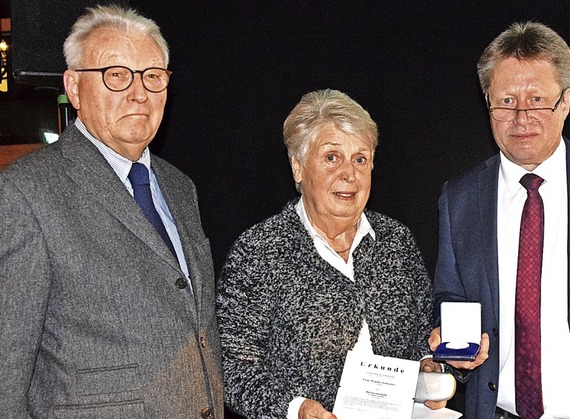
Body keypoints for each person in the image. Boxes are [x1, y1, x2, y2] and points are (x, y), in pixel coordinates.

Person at [0, 5, 224, 418]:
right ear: (75, 87)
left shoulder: (180, 187)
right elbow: (5, 375)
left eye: (153, 76)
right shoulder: (24, 194)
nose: (139, 93)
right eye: (116, 75)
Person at [428, 21, 570, 419]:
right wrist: (452, 334)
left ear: (566, 101)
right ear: (487, 101)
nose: (522, 118)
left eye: (537, 99)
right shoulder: (459, 198)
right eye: (506, 101)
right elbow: (449, 294)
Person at [217, 89, 450, 419]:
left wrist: (429, 367)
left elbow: (422, 336)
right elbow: (231, 365)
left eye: (360, 159)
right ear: (298, 167)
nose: (349, 175)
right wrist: (295, 410)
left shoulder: (395, 241)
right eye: (331, 157)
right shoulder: (259, 251)